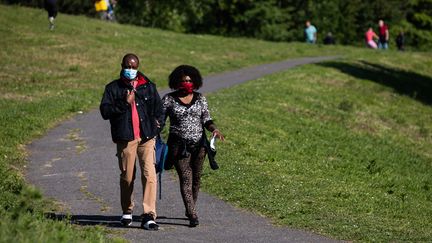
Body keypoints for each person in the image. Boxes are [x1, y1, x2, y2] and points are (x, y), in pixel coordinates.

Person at [100, 53, 162, 230]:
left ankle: (149, 214)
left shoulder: (148, 86)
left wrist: (157, 126)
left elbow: (159, 109)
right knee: (127, 176)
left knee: (149, 175)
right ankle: (127, 210)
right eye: (128, 66)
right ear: (122, 65)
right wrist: (124, 103)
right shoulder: (113, 88)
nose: (131, 70)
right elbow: (105, 112)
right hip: (126, 138)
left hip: (147, 138)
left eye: (134, 67)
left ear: (138, 67)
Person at [161, 65, 225, 227]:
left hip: (199, 146)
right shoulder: (168, 99)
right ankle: (192, 213)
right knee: (186, 178)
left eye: (189, 81)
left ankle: (191, 207)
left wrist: (214, 129)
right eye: (183, 81)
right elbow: (160, 122)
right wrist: (151, 135)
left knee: (196, 179)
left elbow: (206, 119)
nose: (187, 83)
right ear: (177, 82)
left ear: (195, 81)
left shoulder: (200, 98)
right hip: (178, 146)